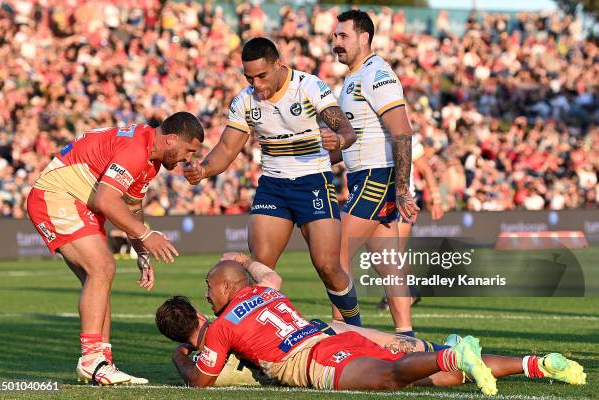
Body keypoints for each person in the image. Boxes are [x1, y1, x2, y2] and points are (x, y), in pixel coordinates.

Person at [154, 254, 585, 394]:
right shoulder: (265, 292)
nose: (207, 293)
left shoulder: (224, 325)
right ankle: (539, 363)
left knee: (392, 377)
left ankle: (455, 352)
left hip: (316, 360)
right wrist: (244, 259)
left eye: (211, 286)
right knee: (435, 376)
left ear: (227, 288)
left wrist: (179, 358)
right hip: (327, 335)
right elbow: (267, 274)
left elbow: (201, 382)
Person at [184, 37, 363, 326]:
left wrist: (339, 138)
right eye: (249, 77)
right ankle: (255, 339)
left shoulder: (308, 86)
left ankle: (357, 330)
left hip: (313, 182)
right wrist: (203, 170)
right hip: (274, 186)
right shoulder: (244, 100)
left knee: (328, 266)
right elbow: (228, 149)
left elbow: (345, 128)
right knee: (259, 269)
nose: (257, 84)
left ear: (278, 65)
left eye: (262, 76)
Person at [26, 112, 204, 385]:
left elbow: (132, 207)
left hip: (77, 201)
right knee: (102, 267)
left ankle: (101, 362)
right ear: (171, 140)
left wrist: (142, 253)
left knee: (99, 277)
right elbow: (107, 200)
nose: (187, 159)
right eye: (188, 150)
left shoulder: (150, 158)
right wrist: (147, 234)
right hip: (57, 195)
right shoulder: (136, 148)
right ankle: (91, 361)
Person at [328, 10, 419, 335]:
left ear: (364, 38)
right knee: (389, 265)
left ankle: (343, 332)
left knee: (333, 255)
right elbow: (351, 143)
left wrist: (402, 189)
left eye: (343, 36)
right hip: (364, 179)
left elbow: (402, 131)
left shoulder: (376, 73)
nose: (336, 42)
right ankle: (407, 336)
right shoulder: (353, 78)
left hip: (376, 179)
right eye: (335, 36)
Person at [376, 134, 445, 311]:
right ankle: (408, 289)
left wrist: (436, 199)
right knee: (384, 253)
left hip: (403, 201)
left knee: (394, 251)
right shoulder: (369, 132)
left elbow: (426, 170)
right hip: (379, 201)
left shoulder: (405, 136)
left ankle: (399, 294)